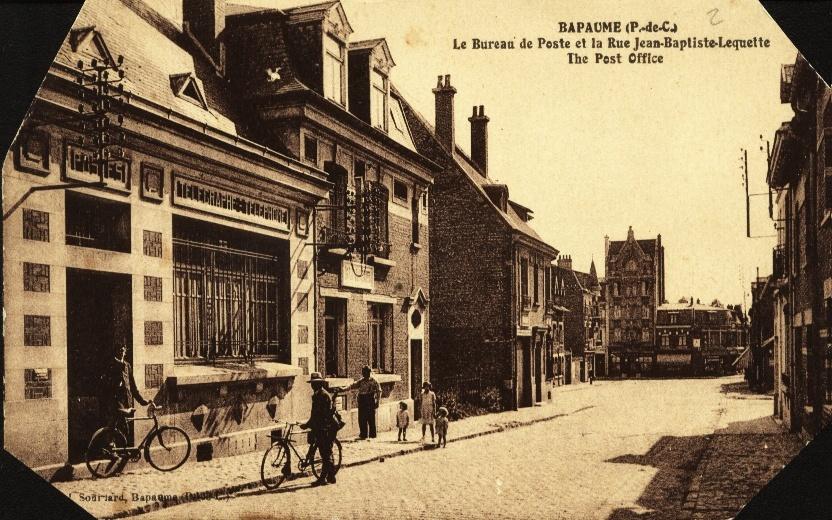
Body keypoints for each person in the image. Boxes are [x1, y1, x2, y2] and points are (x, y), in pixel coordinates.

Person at [103, 344, 153, 437]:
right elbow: (106, 387)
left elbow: (133, 387)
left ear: (125, 352)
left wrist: (142, 401)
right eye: (119, 350)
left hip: (127, 402)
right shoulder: (110, 366)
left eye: (123, 350)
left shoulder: (127, 366)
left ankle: (122, 450)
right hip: (116, 404)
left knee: (125, 431)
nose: (121, 353)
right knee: (120, 430)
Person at [301, 372, 338, 486]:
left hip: (327, 428)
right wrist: (309, 424)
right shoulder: (317, 395)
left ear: (320, 384)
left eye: (315, 383)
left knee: (325, 453)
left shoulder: (323, 396)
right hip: (321, 427)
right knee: (326, 452)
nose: (313, 386)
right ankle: (331, 476)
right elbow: (314, 414)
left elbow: (321, 415)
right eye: (312, 383)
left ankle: (323, 478)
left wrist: (308, 424)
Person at [350, 365, 380, 439]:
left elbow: (379, 391)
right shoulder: (361, 381)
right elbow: (353, 386)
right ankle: (363, 434)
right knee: (362, 418)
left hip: (370, 400)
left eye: (365, 372)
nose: (364, 374)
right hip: (362, 400)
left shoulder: (374, 381)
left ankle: (373, 435)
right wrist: (343, 389)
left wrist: (377, 402)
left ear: (369, 372)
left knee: (371, 418)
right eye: (363, 372)